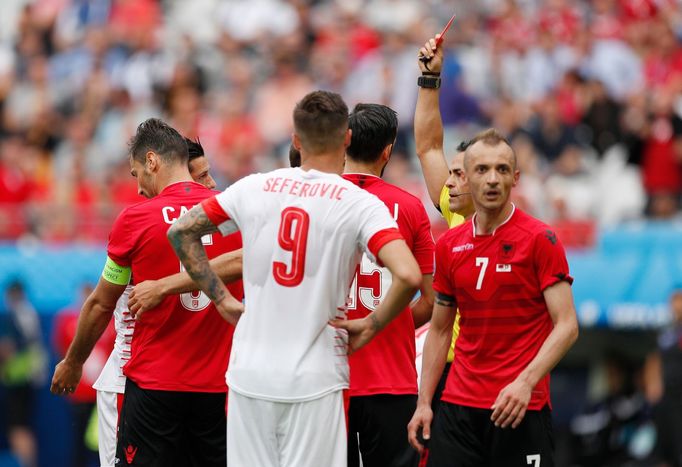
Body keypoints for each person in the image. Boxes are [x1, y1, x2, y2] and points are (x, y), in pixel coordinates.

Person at [166, 90, 422, 467]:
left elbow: (180, 232)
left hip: (249, 374)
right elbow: (409, 274)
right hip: (315, 377)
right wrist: (371, 324)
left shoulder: (255, 186)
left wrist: (221, 299)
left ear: (296, 140)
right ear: (346, 138)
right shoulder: (357, 202)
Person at [50, 119, 243, 467]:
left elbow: (100, 303)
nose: (138, 187)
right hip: (220, 388)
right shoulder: (232, 214)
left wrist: (73, 361)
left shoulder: (136, 220)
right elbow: (249, 258)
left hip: (156, 386)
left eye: (136, 172)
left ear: (152, 161)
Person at [407, 128, 579, 466]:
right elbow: (440, 330)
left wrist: (526, 382)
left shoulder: (541, 239)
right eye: (482, 170)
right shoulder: (450, 245)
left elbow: (567, 326)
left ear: (515, 178)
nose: (492, 179)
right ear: (465, 177)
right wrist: (425, 402)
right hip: (458, 408)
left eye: (502, 170)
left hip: (520, 407)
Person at [87, 136, 223, 467]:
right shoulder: (220, 217)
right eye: (201, 176)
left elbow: (100, 303)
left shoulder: (139, 221)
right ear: (181, 174)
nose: (210, 183)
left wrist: (164, 286)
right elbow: (102, 302)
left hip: (180, 381)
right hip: (135, 381)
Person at [342, 103, 434, 467]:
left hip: (329, 377)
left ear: (344, 141)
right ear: (387, 151)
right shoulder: (410, 208)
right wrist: (387, 326)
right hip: (391, 379)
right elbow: (429, 301)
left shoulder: (317, 202)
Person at [412, 36, 476, 455]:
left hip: (495, 374)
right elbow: (429, 146)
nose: (448, 182)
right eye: (449, 174)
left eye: (459, 174)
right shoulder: (454, 217)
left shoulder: (529, 236)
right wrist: (428, 80)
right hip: (450, 372)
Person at [52, 283, 113, 467]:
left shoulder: (110, 320)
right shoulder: (67, 319)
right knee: (79, 439)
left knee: (105, 441)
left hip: (103, 391)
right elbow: (61, 349)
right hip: (79, 392)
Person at [0, 280, 46, 467]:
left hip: (16, 380)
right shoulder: (30, 314)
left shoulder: (13, 315)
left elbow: (7, 348)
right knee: (23, 427)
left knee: (18, 428)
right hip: (29, 379)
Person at [644, 285, 682, 466]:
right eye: (673, 300)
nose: (676, 305)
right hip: (666, 399)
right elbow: (654, 358)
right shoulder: (668, 333)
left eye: (679, 300)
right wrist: (653, 382)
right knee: (662, 450)